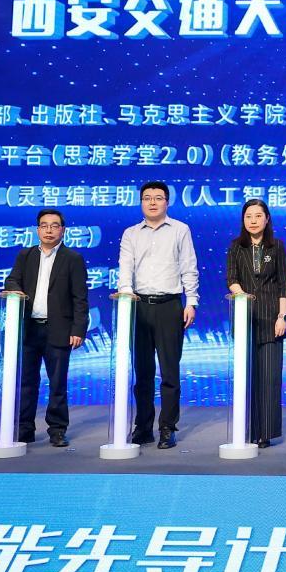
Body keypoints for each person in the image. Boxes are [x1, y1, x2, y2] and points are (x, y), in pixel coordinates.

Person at [117, 180, 200, 449]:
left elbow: (189, 267)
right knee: (142, 372)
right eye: (147, 198)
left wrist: (191, 301)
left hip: (169, 306)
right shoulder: (131, 233)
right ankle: (143, 426)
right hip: (139, 306)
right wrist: (126, 295)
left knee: (169, 372)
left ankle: (167, 428)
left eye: (158, 198)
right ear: (141, 202)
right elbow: (125, 267)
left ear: (167, 202)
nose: (152, 202)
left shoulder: (180, 230)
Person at [3, 208, 90, 448]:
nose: (49, 230)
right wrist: (15, 290)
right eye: (44, 225)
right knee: (26, 382)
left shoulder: (72, 258)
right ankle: (24, 429)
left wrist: (78, 329)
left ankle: (57, 430)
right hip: (29, 329)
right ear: (37, 229)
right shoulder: (26, 255)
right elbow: (12, 279)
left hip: (59, 329)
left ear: (63, 230)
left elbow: (80, 298)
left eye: (54, 225)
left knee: (57, 383)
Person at [225, 199, 286, 448]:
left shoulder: (277, 246)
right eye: (248, 216)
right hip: (245, 318)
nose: (253, 221)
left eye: (258, 216)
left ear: (267, 219)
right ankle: (247, 429)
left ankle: (265, 432)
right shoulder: (236, 246)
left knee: (269, 378)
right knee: (247, 377)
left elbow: (284, 284)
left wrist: (282, 316)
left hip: (272, 319)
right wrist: (242, 296)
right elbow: (231, 278)